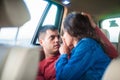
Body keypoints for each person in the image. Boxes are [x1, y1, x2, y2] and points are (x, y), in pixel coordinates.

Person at [55, 11, 111, 80]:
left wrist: (63, 55)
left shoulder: (87, 45)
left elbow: (63, 77)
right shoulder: (84, 45)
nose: (63, 37)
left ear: (71, 31)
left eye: (64, 32)